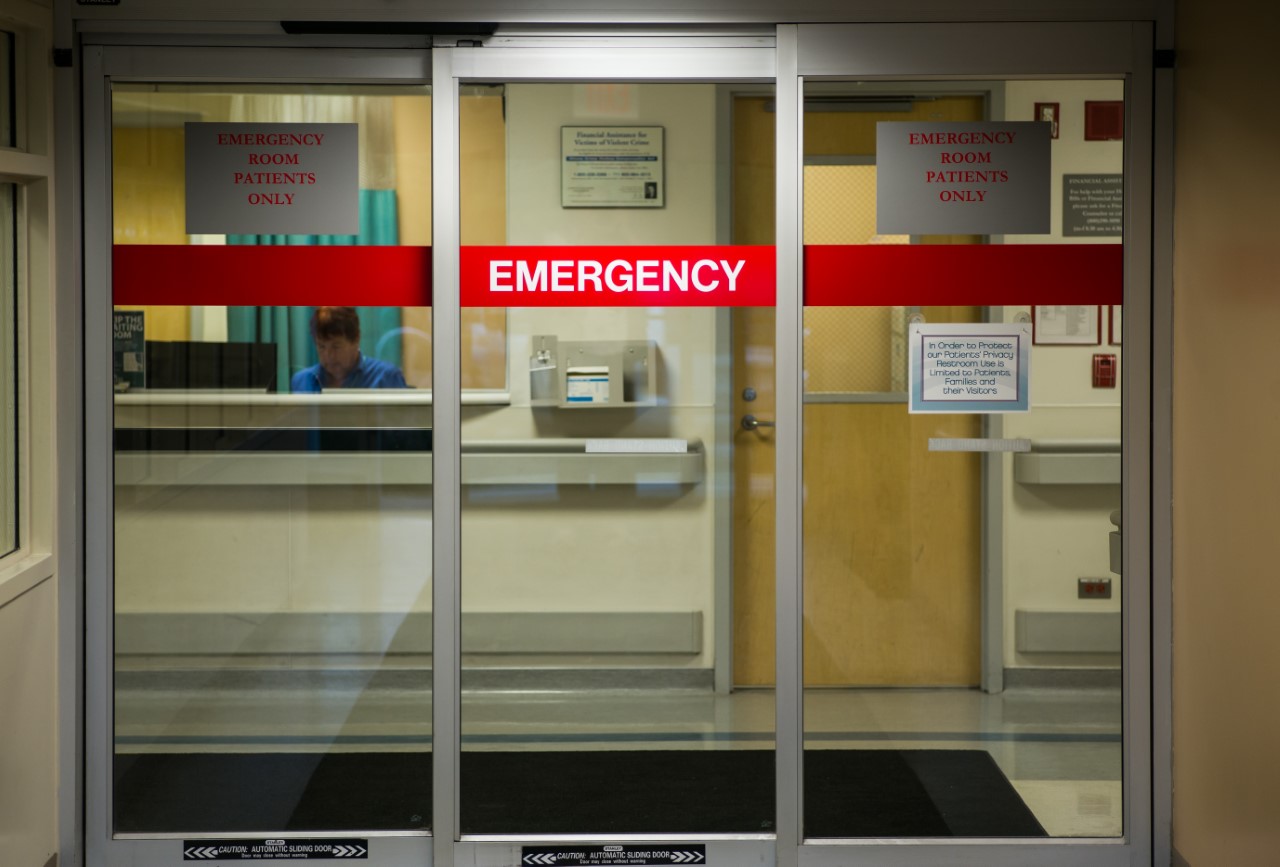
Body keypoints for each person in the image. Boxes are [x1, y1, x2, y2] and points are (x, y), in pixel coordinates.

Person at [289, 306, 407, 392]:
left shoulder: (386, 378)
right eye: (321, 347)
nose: (328, 355)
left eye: (336, 347)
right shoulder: (302, 381)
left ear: (356, 339)